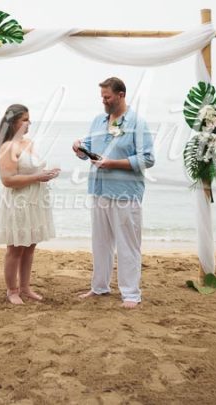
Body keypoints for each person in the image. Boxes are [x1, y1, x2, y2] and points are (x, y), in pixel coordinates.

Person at [72, 77, 155, 309]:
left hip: (125, 193)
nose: (104, 101)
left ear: (121, 95)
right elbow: (88, 148)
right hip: (98, 190)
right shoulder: (98, 121)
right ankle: (99, 287)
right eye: (102, 97)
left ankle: (131, 293)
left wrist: (114, 163)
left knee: (127, 244)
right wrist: (79, 147)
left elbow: (148, 159)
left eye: (107, 97)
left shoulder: (138, 123)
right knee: (100, 242)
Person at [0, 104, 60, 305]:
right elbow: (7, 180)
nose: (28, 123)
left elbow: (31, 169)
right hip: (18, 203)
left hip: (34, 201)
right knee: (15, 248)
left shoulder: (28, 143)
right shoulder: (8, 147)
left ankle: (25, 287)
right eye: (25, 119)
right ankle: (12, 290)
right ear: (14, 122)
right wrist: (38, 177)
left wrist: (47, 173)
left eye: (29, 119)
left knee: (30, 245)